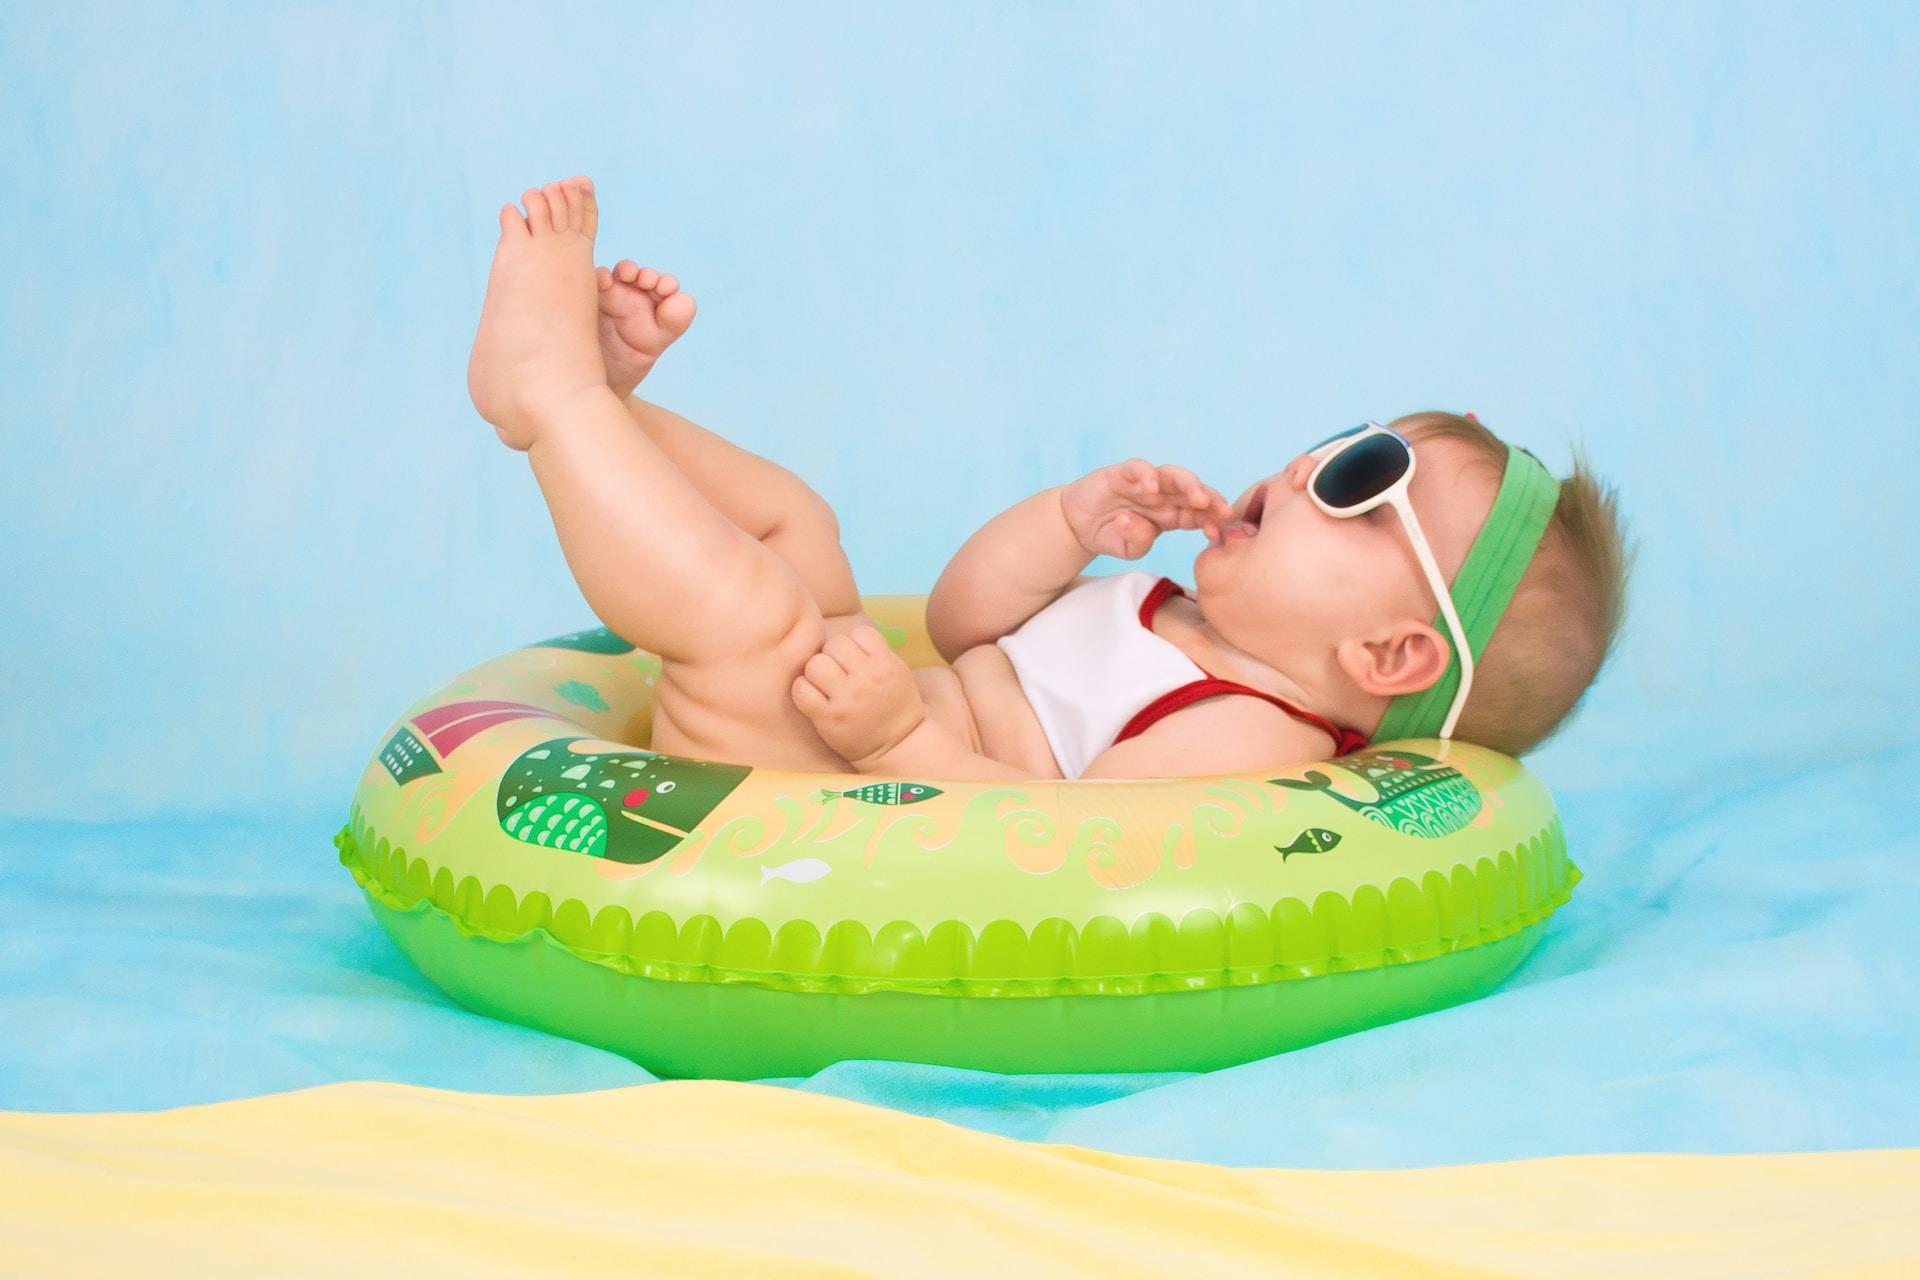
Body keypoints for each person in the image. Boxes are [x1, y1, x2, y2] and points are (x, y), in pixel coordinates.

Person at [467, 176, 1629, 781]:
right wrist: (1069, 523)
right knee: (799, 525)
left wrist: (890, 745)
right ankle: (613, 402)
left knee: (755, 613)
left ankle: (550, 399)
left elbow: (1055, 840)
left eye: (1358, 481)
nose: (1308, 460)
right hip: (862, 709)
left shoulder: (1245, 735)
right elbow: (966, 619)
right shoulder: (1167, 613)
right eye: (1343, 436)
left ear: (1389, 655)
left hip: (823, 773)